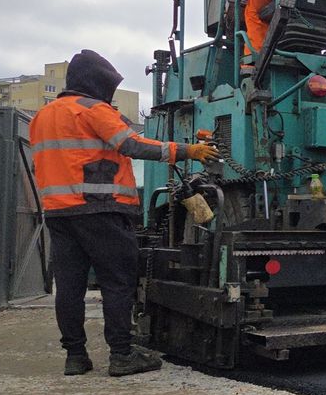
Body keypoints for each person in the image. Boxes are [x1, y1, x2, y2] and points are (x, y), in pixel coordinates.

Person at [30, 50, 219, 376]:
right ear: (97, 83)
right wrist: (187, 150)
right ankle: (121, 354)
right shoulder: (93, 110)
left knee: (70, 287)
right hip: (100, 210)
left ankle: (75, 356)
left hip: (59, 214)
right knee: (117, 282)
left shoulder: (42, 117)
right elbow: (131, 145)